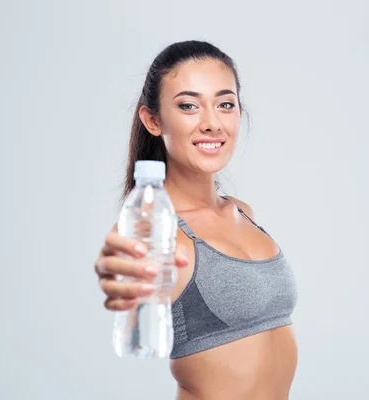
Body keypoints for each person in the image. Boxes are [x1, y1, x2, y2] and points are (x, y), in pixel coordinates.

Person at [94, 40, 298, 400]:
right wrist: (118, 272)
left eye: (225, 104)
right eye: (189, 105)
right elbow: (122, 266)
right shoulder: (154, 229)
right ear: (153, 120)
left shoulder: (242, 211)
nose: (211, 123)